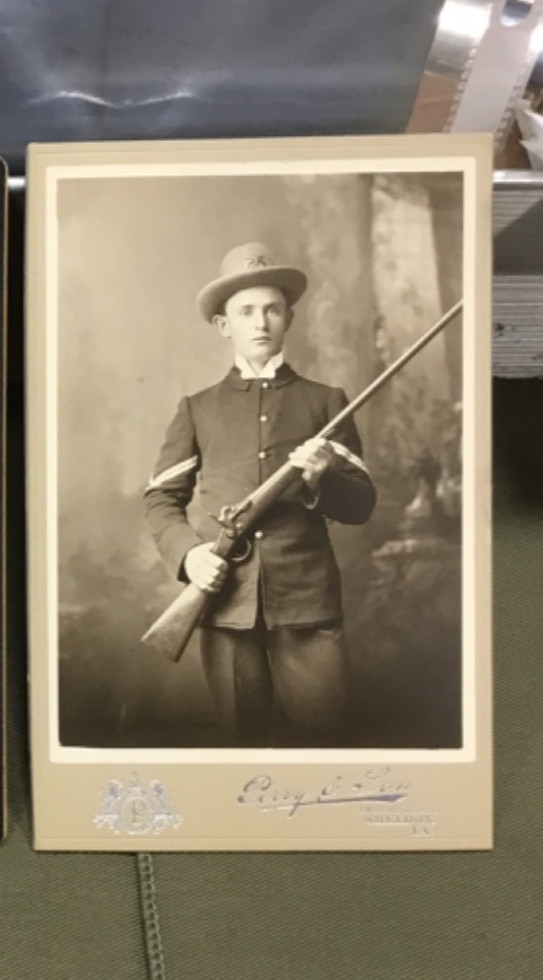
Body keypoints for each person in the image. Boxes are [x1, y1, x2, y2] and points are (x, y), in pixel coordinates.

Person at [144, 242, 376, 747]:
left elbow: (361, 505)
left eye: (271, 309)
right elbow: (160, 499)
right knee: (240, 746)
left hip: (307, 605)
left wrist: (321, 478)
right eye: (245, 311)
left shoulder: (326, 403)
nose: (260, 322)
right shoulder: (198, 408)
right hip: (225, 604)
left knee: (328, 742)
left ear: (289, 317)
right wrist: (190, 556)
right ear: (224, 325)